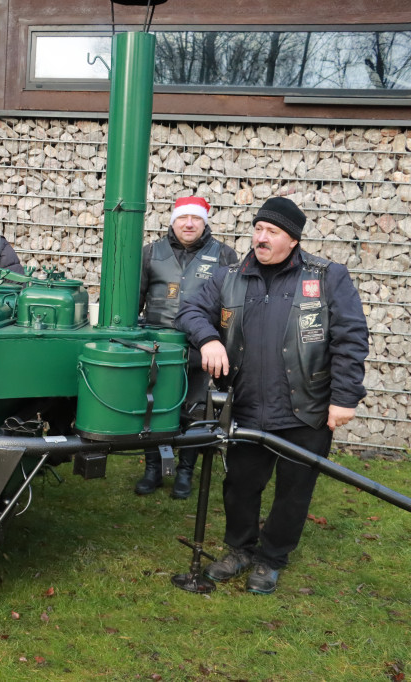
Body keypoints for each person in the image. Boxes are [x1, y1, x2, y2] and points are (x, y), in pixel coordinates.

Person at [175, 196, 369, 594]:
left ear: (293, 240)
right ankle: (240, 549)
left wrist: (345, 398)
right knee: (241, 485)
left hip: (306, 407)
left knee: (294, 490)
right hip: (247, 406)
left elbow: (351, 338)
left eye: (272, 232)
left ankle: (272, 557)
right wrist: (209, 338)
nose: (261, 239)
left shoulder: (328, 277)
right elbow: (189, 310)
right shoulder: (229, 276)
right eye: (258, 229)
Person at [134, 196, 239, 499]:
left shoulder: (223, 255)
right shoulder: (151, 253)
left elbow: (231, 307)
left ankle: (184, 473)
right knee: (152, 409)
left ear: (205, 222)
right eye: (183, 218)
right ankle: (152, 469)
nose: (189, 224)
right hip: (157, 349)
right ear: (173, 220)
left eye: (195, 218)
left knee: (194, 409)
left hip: (198, 350)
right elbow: (134, 301)